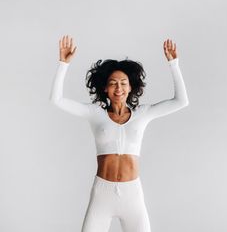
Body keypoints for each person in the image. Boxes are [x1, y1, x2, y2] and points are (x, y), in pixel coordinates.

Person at [49, 35, 189, 232]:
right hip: (102, 193)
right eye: (113, 83)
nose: (119, 88)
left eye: (123, 83)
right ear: (105, 88)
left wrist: (174, 64)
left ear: (131, 87)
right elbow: (57, 100)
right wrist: (63, 64)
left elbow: (181, 101)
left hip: (132, 194)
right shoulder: (95, 113)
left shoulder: (143, 113)